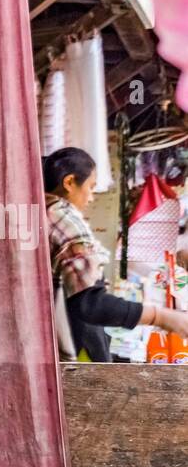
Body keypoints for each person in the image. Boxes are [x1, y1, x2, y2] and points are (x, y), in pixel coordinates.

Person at [45, 147, 188, 361]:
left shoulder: (34, 210)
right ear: (69, 183)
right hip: (69, 343)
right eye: (91, 188)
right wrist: (162, 317)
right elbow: (90, 305)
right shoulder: (65, 220)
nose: (92, 197)